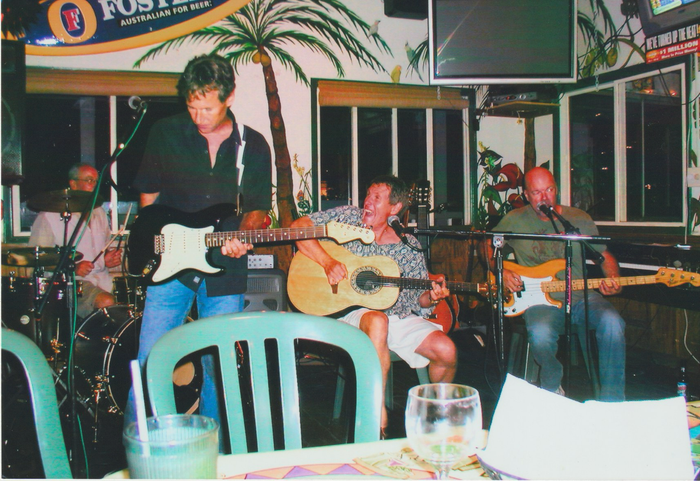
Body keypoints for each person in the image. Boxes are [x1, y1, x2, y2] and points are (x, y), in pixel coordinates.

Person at [124, 54, 272, 433]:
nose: (199, 116)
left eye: (207, 108)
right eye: (192, 107)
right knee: (150, 359)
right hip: (169, 267)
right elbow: (148, 198)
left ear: (230, 97)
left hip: (225, 268)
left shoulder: (252, 146)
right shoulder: (164, 132)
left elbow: (257, 209)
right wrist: (158, 244)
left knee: (218, 366)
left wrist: (245, 235)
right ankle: (142, 451)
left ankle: (214, 458)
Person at [290, 175, 457, 432]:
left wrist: (432, 296)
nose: (367, 201)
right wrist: (327, 262)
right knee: (378, 320)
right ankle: (375, 416)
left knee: (446, 351)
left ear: (395, 208)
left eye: (376, 198)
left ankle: (435, 418)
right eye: (368, 194)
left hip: (397, 317)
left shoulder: (408, 246)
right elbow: (298, 227)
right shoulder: (347, 217)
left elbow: (418, 298)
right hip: (346, 310)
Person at [489, 166, 625, 401]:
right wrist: (501, 270)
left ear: (556, 189)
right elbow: (490, 248)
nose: (545, 197)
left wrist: (613, 278)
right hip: (539, 300)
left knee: (613, 323)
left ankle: (612, 402)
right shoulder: (515, 220)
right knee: (540, 333)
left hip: (582, 297)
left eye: (549, 190)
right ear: (526, 195)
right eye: (537, 192)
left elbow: (604, 255)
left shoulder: (578, 219)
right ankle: (552, 387)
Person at [29, 163, 122, 319]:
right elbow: (36, 258)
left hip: (104, 280)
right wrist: (72, 267)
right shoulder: (49, 215)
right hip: (71, 283)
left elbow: (103, 247)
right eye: (88, 180)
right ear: (73, 183)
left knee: (135, 301)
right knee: (107, 302)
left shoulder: (99, 211)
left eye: (96, 181)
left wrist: (107, 259)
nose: (93, 185)